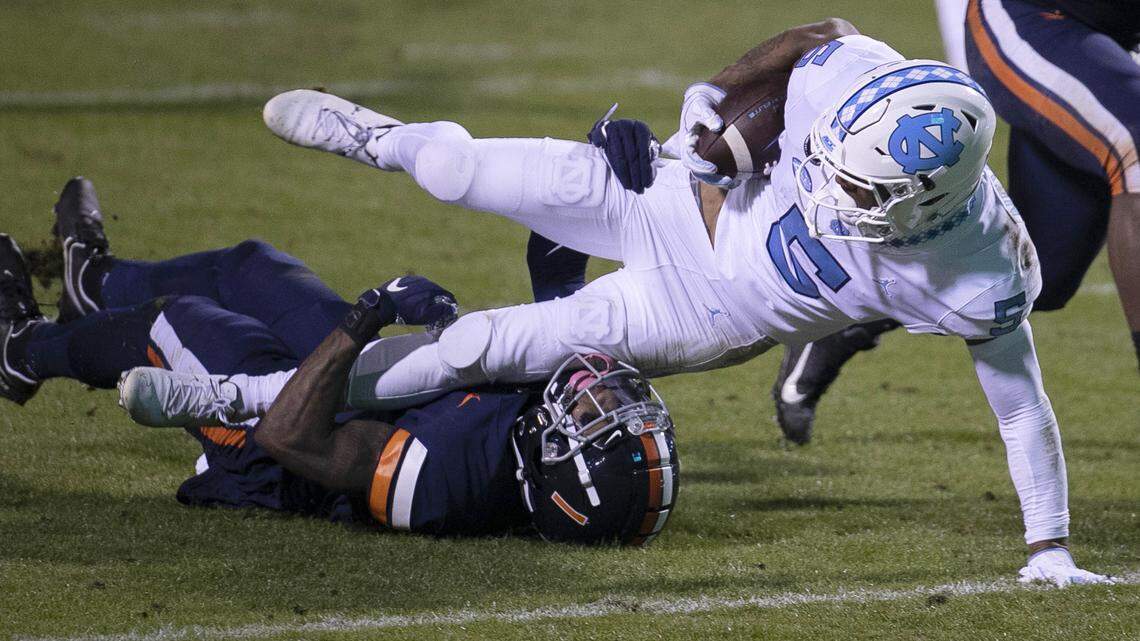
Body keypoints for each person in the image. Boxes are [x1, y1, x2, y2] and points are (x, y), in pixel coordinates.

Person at [134, 20, 1109, 585]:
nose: (823, 189)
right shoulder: (869, 85)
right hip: (670, 194)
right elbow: (815, 40)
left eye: (851, 195)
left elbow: (1021, 403)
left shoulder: (980, 271)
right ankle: (378, 137)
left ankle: (236, 394)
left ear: (925, 213)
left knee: (474, 346)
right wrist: (702, 115)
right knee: (457, 165)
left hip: (698, 315)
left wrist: (1050, 547)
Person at [0, 177, 679, 544]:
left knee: (176, 323)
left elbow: (291, 435)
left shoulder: (443, 478)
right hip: (380, 383)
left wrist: (366, 315)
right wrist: (600, 182)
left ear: (557, 462)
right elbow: (554, 277)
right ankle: (96, 286)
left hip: (286, 433)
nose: (599, 392)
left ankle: (22, 352)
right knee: (252, 266)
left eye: (596, 415)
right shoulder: (535, 426)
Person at [787, 0, 1140, 448]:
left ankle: (855, 318)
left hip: (1110, 41)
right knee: (1136, 148)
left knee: (1037, 272)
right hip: (1035, 20)